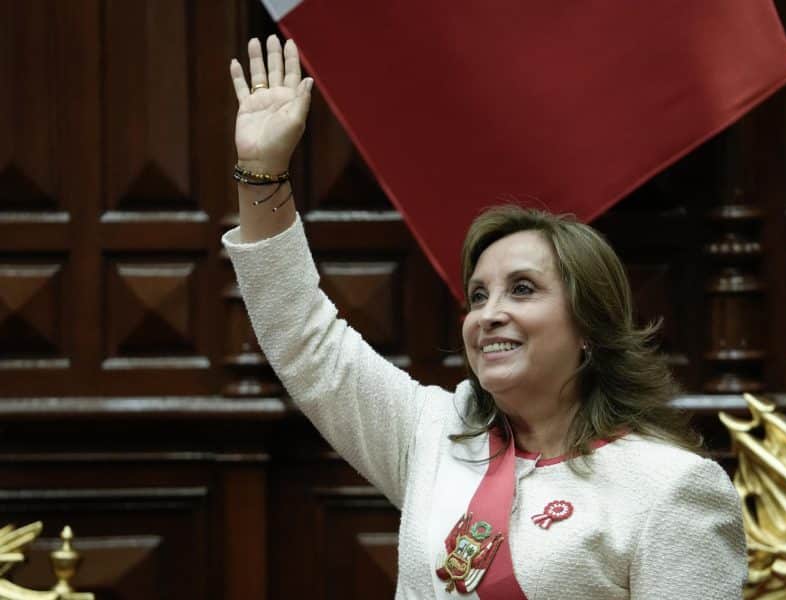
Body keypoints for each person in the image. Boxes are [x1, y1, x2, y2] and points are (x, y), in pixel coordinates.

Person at [224, 35, 747, 599]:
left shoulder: (670, 488)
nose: (489, 315)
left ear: (590, 328)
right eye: (477, 296)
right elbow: (307, 342)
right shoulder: (434, 435)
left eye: (521, 290)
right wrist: (262, 172)